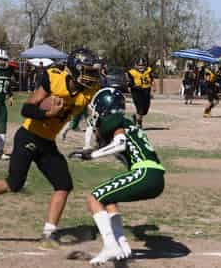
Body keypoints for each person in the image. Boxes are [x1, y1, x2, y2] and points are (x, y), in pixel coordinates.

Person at [0, 48, 101, 250]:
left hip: (48, 141)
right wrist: (47, 112)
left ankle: (48, 234)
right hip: (29, 136)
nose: (91, 76)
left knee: (63, 185)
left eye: (93, 72)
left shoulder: (89, 90)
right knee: (14, 183)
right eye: (87, 71)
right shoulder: (54, 79)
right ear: (74, 69)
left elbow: (97, 113)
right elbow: (26, 109)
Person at [69, 88, 165, 265]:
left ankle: (110, 245)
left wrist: (92, 155)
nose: (93, 114)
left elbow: (120, 144)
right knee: (108, 199)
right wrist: (90, 150)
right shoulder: (124, 122)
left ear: (104, 108)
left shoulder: (116, 121)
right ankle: (121, 244)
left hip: (145, 172)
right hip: (153, 175)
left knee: (94, 198)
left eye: (95, 110)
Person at [125, 58, 155, 128]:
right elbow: (128, 83)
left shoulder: (148, 71)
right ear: (136, 65)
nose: (141, 67)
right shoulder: (132, 73)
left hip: (146, 91)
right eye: (139, 65)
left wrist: (154, 86)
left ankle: (136, 117)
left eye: (143, 65)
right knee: (140, 109)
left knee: (145, 110)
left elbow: (152, 79)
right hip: (136, 91)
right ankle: (139, 123)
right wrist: (132, 87)